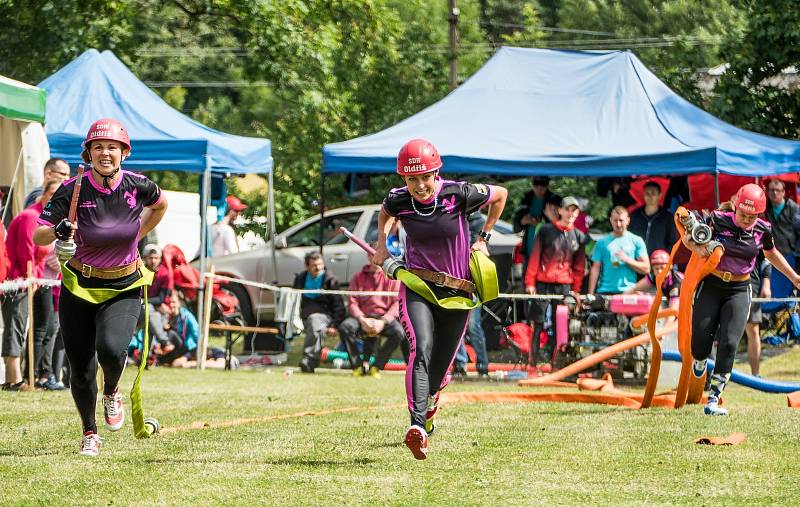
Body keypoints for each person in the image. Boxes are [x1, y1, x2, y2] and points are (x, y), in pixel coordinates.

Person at [33, 118, 168, 456]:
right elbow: (38, 235)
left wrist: (137, 234)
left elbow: (161, 205)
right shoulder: (71, 190)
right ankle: (90, 432)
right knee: (79, 368)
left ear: (124, 152)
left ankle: (112, 391)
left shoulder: (138, 185)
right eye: (98, 147)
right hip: (79, 284)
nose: (105, 153)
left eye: (112, 147)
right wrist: (59, 229)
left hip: (124, 284)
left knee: (111, 350)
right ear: (89, 152)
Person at [372, 138, 508, 460]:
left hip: (458, 293)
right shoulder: (398, 199)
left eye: (425, 177)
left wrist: (484, 238)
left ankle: (431, 400)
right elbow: (385, 212)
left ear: (436, 172)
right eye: (411, 179)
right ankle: (416, 426)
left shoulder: (458, 193)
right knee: (421, 347)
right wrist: (382, 243)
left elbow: (500, 195)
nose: (420, 185)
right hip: (417, 286)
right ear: (403, 179)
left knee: (438, 370)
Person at [682, 184, 800, 416]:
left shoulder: (763, 229)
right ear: (735, 208)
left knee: (729, 342)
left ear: (759, 214)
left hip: (739, 288)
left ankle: (714, 399)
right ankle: (699, 360)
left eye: (751, 216)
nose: (746, 220)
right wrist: (699, 247)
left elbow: (771, 254)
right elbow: (689, 238)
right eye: (743, 215)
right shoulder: (717, 219)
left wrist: (795, 278)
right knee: (700, 343)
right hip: (712, 285)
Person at [1, 179, 59, 391]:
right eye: (52, 193)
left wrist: (34, 278)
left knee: (21, 326)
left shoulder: (46, 221)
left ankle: (17, 377)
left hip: (30, 280)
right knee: (15, 326)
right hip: (16, 281)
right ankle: (13, 379)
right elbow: (27, 254)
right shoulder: (30, 217)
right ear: (43, 194)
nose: (56, 198)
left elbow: (41, 257)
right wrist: (30, 278)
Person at [524, 196, 587, 369]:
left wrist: (575, 290)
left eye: (574, 210)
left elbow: (579, 267)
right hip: (543, 284)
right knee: (537, 324)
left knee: (561, 326)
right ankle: (532, 365)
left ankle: (557, 365)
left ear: (578, 213)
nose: (570, 213)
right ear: (560, 211)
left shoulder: (580, 236)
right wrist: (530, 283)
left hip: (564, 287)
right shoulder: (545, 230)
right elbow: (534, 256)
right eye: (567, 209)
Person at [338, 262, 403, 378]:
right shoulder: (357, 277)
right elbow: (352, 302)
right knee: (345, 327)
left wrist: (383, 321)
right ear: (368, 256)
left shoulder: (393, 277)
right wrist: (362, 319)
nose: (376, 259)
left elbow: (397, 303)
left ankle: (376, 366)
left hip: (384, 318)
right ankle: (357, 366)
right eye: (372, 254)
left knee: (399, 332)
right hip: (362, 317)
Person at [293, 251, 345, 373]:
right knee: (314, 324)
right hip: (302, 316)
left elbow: (339, 306)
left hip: (324, 316)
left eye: (320, 264)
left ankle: (309, 359)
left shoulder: (330, 280)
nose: (318, 268)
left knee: (315, 322)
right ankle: (311, 360)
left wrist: (334, 325)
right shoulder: (300, 279)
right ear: (307, 266)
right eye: (314, 265)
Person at [453, 212, 491, 378]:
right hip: (455, 280)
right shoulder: (453, 218)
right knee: (456, 326)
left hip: (473, 281)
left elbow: (479, 248)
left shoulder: (479, 222)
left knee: (473, 326)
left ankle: (483, 366)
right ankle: (460, 366)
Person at [588, 206, 650, 295]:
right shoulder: (601, 242)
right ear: (610, 220)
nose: (618, 224)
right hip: (605, 291)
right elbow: (595, 268)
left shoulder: (636, 240)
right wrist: (590, 294)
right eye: (615, 220)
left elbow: (646, 269)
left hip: (628, 292)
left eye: (621, 220)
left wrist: (626, 259)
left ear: (628, 220)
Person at [513, 176, 561, 267]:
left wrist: (539, 224)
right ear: (532, 184)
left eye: (543, 184)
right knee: (528, 277)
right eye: (536, 184)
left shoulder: (554, 199)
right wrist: (522, 222)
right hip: (529, 247)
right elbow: (517, 222)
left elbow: (559, 224)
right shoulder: (526, 198)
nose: (539, 187)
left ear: (547, 185)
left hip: (548, 249)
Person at [764, 179, 800, 294]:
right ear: (768, 192)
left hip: (791, 256)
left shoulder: (794, 208)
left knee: (790, 288)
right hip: (772, 255)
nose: (774, 193)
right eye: (771, 190)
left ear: (784, 192)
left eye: (778, 190)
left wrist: (796, 253)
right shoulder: (765, 208)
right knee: (775, 291)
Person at [623, 249, 683, 314]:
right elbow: (633, 289)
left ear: (670, 267)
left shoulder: (676, 283)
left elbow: (673, 312)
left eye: (662, 268)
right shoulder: (653, 276)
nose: (659, 271)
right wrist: (619, 301)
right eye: (656, 268)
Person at [629, 180, 678, 255]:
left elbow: (673, 241)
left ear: (660, 195)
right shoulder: (634, 215)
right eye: (647, 193)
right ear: (643, 195)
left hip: (659, 262)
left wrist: (664, 256)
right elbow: (628, 237)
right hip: (637, 260)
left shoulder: (668, 217)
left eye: (653, 193)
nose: (650, 196)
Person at [744, 256, 771, 377]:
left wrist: (766, 283)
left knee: (753, 330)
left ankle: (755, 375)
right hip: (721, 284)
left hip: (751, 284)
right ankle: (715, 375)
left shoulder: (760, 236)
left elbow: (766, 258)